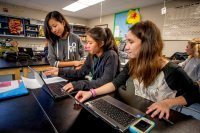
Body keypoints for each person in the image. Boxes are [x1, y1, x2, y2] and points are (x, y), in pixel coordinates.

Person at [75, 20, 200, 120]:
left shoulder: (172, 70)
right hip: (143, 113)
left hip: (164, 118)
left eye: (130, 42)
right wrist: (91, 93)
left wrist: (168, 103)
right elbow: (115, 83)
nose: (126, 47)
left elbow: (194, 94)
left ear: (147, 44)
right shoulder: (133, 63)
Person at [44, 27, 120, 91]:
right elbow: (81, 72)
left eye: (90, 43)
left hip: (108, 94)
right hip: (96, 90)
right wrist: (60, 71)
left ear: (101, 43)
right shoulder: (92, 55)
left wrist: (78, 84)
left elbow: (105, 82)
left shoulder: (111, 55)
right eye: (87, 42)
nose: (87, 46)